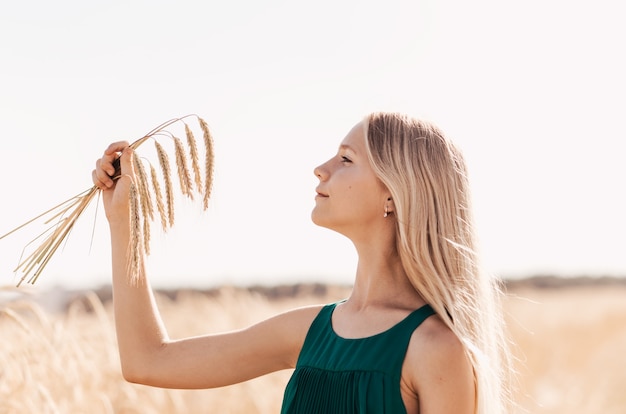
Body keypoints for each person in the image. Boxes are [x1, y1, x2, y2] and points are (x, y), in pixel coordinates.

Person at [92, 112, 513, 413]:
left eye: (346, 159)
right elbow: (147, 361)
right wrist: (122, 222)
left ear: (394, 194)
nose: (320, 169)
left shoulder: (436, 348)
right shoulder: (310, 332)